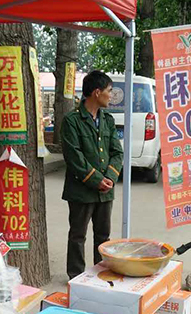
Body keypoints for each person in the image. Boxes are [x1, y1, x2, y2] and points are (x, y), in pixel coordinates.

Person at [61, 70, 124, 279]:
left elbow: (117, 152)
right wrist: (96, 180)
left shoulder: (108, 120)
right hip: (81, 190)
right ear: (97, 92)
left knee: (103, 236)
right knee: (77, 236)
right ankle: (76, 276)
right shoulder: (72, 121)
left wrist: (110, 178)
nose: (111, 95)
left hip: (105, 191)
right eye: (109, 91)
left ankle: (101, 274)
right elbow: (74, 156)